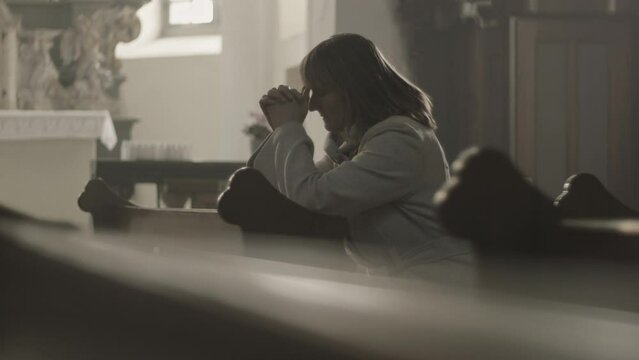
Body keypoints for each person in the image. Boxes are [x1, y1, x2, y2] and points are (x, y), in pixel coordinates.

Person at [250, 33, 473, 282]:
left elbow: (314, 195)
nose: (311, 106)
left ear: (354, 89)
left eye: (321, 92)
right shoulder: (354, 145)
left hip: (435, 287)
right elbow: (278, 187)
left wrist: (289, 128)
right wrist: (281, 128)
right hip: (400, 285)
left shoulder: (400, 140)